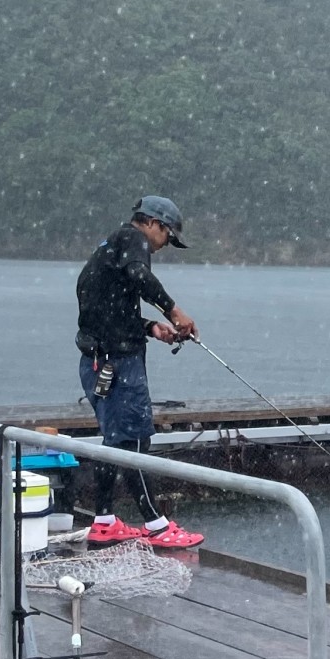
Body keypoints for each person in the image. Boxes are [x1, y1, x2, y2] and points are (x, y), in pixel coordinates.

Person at [75, 195, 204, 548]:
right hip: (119, 364)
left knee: (115, 440)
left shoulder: (108, 248)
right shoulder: (134, 239)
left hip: (97, 361)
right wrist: (174, 311)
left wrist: (150, 328)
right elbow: (139, 275)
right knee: (133, 441)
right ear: (154, 223)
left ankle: (104, 521)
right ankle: (157, 526)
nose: (163, 246)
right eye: (168, 237)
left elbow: (106, 309)